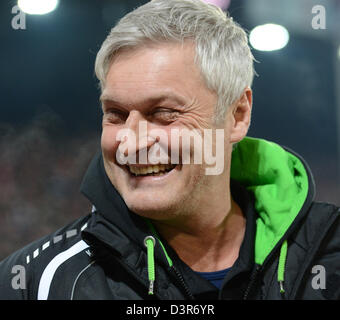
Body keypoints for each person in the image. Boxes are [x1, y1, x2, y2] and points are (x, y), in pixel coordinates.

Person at [0, 0, 339, 300]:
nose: (131, 142)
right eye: (115, 114)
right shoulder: (34, 283)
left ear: (237, 115)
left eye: (163, 114)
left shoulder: (329, 255)